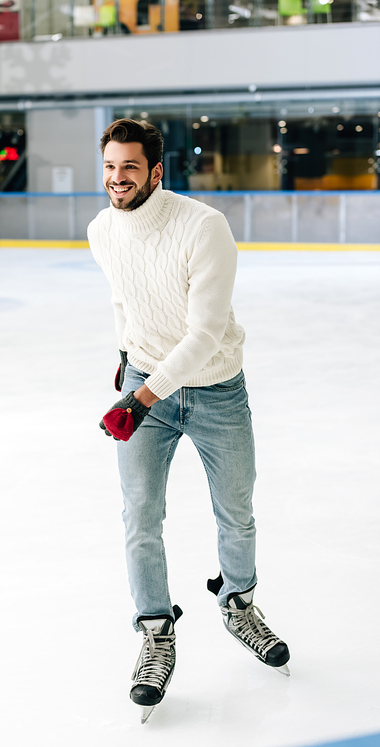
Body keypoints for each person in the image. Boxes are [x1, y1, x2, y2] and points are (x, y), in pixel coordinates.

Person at [87, 118, 290, 721]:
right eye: (109, 168)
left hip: (214, 391)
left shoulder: (203, 227)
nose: (117, 179)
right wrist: (127, 363)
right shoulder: (102, 230)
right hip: (143, 383)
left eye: (129, 168)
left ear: (155, 171)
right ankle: (155, 632)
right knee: (140, 515)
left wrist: (141, 396)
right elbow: (125, 300)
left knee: (236, 509)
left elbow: (204, 333)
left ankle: (239, 604)